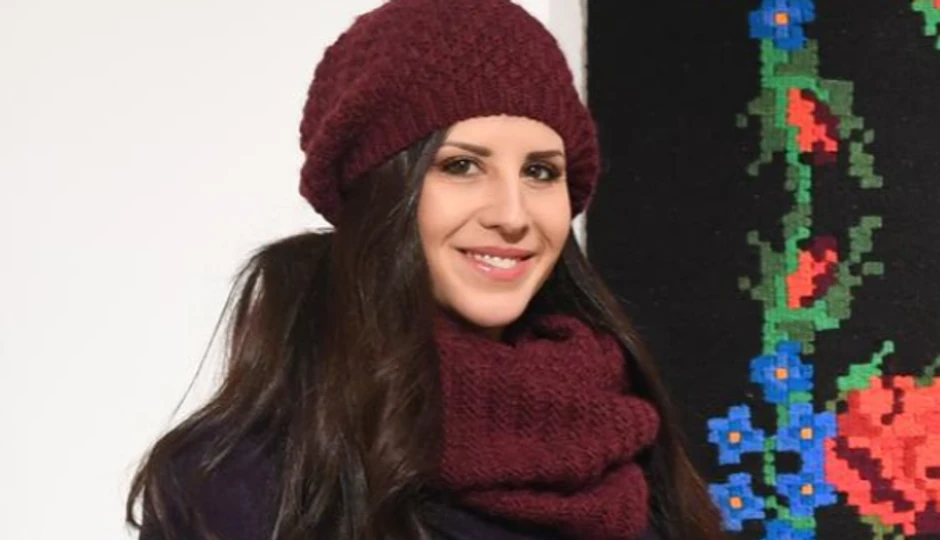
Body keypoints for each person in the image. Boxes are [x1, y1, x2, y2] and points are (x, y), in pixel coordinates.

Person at [124, 0, 725, 538]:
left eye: (540, 172)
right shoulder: (235, 482)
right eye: (462, 166)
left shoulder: (628, 442)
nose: (513, 215)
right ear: (379, 188)